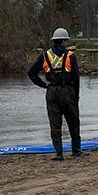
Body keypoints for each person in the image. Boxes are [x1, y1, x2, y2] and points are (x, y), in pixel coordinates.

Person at [28, 27, 86, 160]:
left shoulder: (44, 56)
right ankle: (76, 150)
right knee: (73, 122)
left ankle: (58, 153)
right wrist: (76, 95)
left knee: (55, 123)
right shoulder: (70, 56)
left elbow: (31, 73)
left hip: (52, 91)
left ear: (54, 41)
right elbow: (76, 77)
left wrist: (43, 85)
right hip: (68, 91)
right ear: (64, 41)